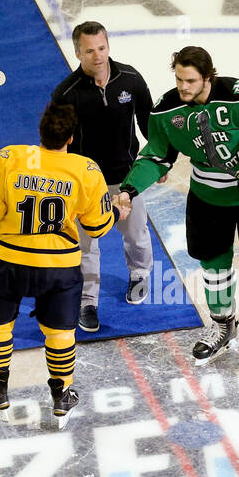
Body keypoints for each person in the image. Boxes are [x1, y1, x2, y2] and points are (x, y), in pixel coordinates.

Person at [118, 46, 239, 377]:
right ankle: (223, 327)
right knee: (214, 271)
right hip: (207, 201)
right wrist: (130, 190)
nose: (183, 87)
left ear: (208, 77)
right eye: (178, 79)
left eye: (190, 80)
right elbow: (156, 156)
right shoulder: (166, 111)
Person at [0, 103, 122, 424]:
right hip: (58, 268)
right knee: (60, 331)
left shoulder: (9, 158)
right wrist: (116, 210)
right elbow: (99, 226)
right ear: (72, 137)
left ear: (41, 131)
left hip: (8, 260)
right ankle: (62, 394)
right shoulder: (86, 169)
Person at [51, 21, 155, 333]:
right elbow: (57, 144)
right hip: (85, 185)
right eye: (89, 51)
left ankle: (140, 275)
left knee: (136, 235)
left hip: (128, 179)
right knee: (85, 246)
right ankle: (87, 302)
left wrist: (155, 164)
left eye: (101, 48)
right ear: (77, 52)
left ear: (108, 46)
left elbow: (150, 123)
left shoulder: (131, 79)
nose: (97, 56)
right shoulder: (66, 93)